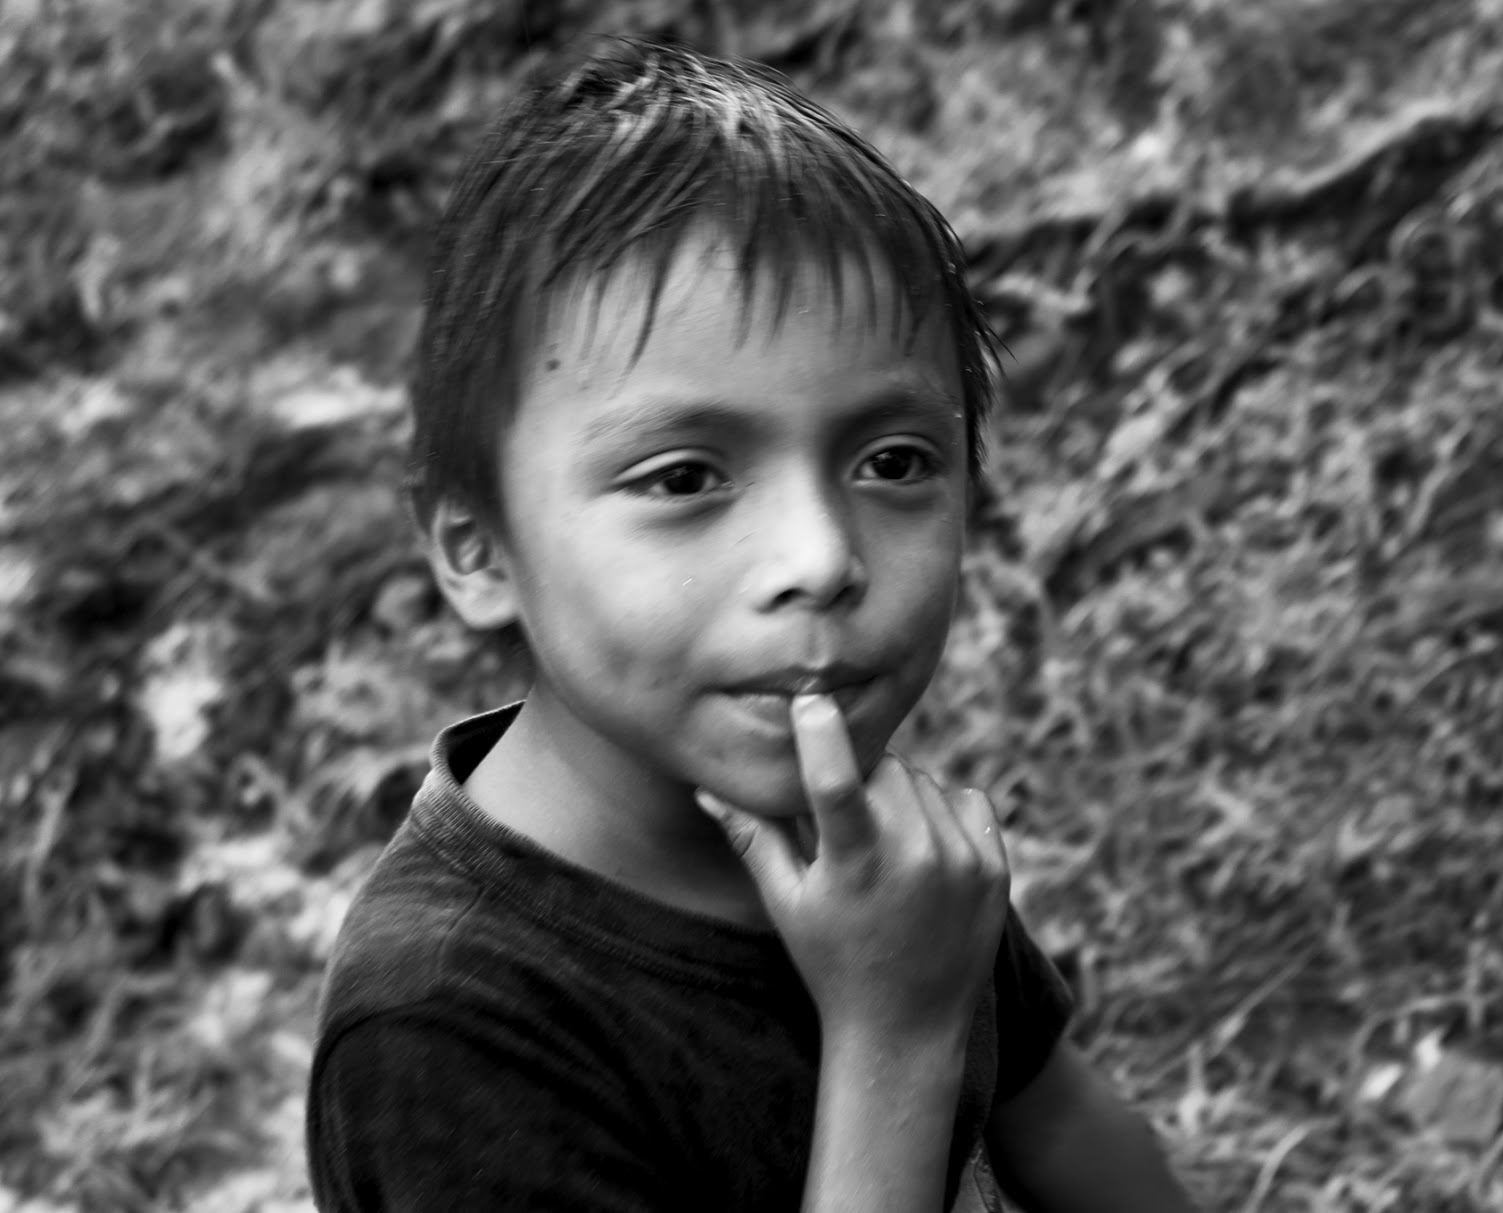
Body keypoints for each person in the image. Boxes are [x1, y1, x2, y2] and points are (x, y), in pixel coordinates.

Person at [306, 35, 1199, 1213]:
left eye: (892, 460)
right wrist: (895, 1033)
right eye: (684, 478)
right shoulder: (446, 1028)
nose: (821, 558)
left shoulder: (878, 853)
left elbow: (1073, 1132)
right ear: (477, 547)